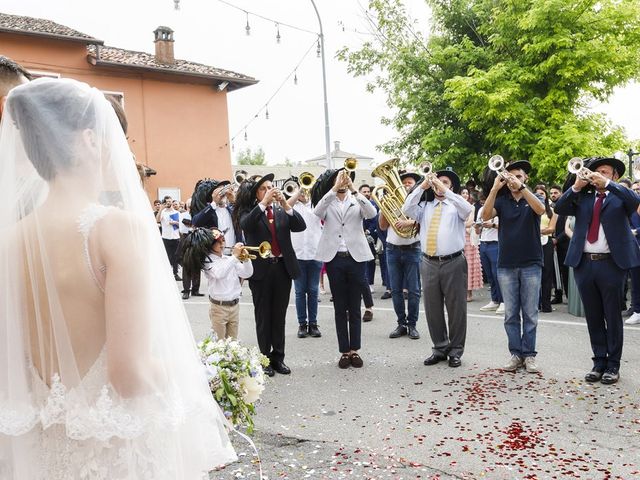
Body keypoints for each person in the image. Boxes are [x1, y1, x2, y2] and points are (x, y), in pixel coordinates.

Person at [0, 78, 235, 478]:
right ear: (91, 140)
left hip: (43, 452)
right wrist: (198, 368)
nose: (126, 151)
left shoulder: (11, 240)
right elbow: (129, 375)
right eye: (120, 137)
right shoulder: (115, 230)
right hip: (110, 455)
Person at [555, 157, 640, 384]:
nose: (597, 174)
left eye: (604, 171)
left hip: (612, 263)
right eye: (596, 171)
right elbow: (559, 207)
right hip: (584, 263)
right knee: (592, 315)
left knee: (612, 316)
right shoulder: (584, 196)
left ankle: (613, 365)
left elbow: (634, 199)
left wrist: (609, 185)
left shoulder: (620, 196)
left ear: (614, 176)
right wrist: (576, 186)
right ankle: (598, 362)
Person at [233, 174, 306, 377]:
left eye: (270, 187)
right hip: (261, 271)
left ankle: (278, 358)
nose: (269, 190)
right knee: (263, 316)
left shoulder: (281, 210)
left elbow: (301, 226)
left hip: (282, 267)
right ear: (256, 193)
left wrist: (286, 204)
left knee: (279, 316)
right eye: (264, 188)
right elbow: (246, 225)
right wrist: (264, 203)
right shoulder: (249, 211)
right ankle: (264, 358)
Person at [404, 169, 473, 368]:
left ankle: (456, 350)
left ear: (451, 186)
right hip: (429, 261)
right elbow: (407, 208)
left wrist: (446, 191)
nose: (440, 184)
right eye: (437, 182)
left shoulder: (456, 205)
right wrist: (422, 186)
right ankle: (440, 347)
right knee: (432, 308)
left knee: (456, 308)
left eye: (445, 182)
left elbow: (468, 209)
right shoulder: (425, 205)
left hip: (453, 261)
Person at [482, 160, 545, 374]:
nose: (513, 180)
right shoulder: (501, 200)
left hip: (531, 263)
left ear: (525, 178)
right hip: (506, 264)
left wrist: (522, 188)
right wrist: (494, 188)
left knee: (530, 313)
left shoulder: (535, 196)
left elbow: (541, 209)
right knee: (510, 314)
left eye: (518, 176)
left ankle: (529, 355)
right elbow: (484, 216)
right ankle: (515, 354)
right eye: (510, 176)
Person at [313, 168, 377, 369]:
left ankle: (355, 350)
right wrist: (333, 190)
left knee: (354, 306)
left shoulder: (356, 199)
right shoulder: (328, 199)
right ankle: (344, 351)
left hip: (356, 257)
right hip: (335, 258)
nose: (342, 182)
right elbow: (317, 212)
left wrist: (354, 189)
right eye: (339, 180)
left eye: (345, 179)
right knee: (339, 307)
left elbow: (372, 213)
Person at [183, 228, 253, 340]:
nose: (222, 244)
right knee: (219, 344)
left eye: (223, 241)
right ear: (210, 245)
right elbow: (220, 273)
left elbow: (247, 273)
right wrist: (235, 257)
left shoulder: (229, 259)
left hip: (234, 306)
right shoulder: (207, 262)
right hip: (218, 308)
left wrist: (246, 259)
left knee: (233, 344)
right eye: (218, 242)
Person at [380, 171, 422, 340]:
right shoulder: (392, 202)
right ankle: (401, 324)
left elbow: (424, 219)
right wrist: (383, 207)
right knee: (396, 290)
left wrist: (409, 222)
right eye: (403, 182)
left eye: (409, 182)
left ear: (415, 184)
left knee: (414, 290)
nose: (405, 185)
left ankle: (412, 324)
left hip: (413, 248)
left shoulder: (419, 201)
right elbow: (382, 226)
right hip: (392, 248)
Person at [288, 186, 323, 338]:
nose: (303, 193)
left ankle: (313, 324)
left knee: (313, 291)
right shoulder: (292, 206)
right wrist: (297, 193)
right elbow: (285, 206)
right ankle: (302, 324)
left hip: (315, 253)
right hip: (298, 254)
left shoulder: (316, 205)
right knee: (300, 291)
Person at [476, 200, 504, 314]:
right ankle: (494, 300)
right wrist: (477, 226)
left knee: (497, 274)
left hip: (496, 243)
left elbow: (507, 225)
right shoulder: (481, 210)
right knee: (490, 275)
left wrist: (492, 225)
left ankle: (504, 301)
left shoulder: (499, 208)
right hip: (483, 242)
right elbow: (477, 230)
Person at [535, 185, 558, 313]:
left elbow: (552, 228)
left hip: (547, 243)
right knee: (534, 273)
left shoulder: (551, 211)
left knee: (547, 274)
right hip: (533, 242)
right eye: (537, 193)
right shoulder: (531, 209)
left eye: (542, 194)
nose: (540, 196)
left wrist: (539, 231)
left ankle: (546, 304)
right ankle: (535, 303)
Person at [461, 187, 483, 302]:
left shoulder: (472, 207)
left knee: (469, 265)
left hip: (468, 238)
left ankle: (468, 293)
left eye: (466, 193)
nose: (465, 194)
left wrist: (458, 224)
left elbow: (470, 222)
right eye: (463, 193)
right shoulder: (454, 205)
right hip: (457, 237)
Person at [157, 198, 182, 280]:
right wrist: (160, 209)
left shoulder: (177, 213)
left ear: (172, 202)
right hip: (166, 237)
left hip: (175, 237)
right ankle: (167, 274)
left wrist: (175, 223)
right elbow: (157, 220)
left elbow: (181, 225)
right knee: (167, 256)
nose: (168, 203)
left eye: (170, 201)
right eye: (167, 202)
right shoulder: (163, 212)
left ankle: (175, 274)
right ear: (165, 203)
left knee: (175, 257)